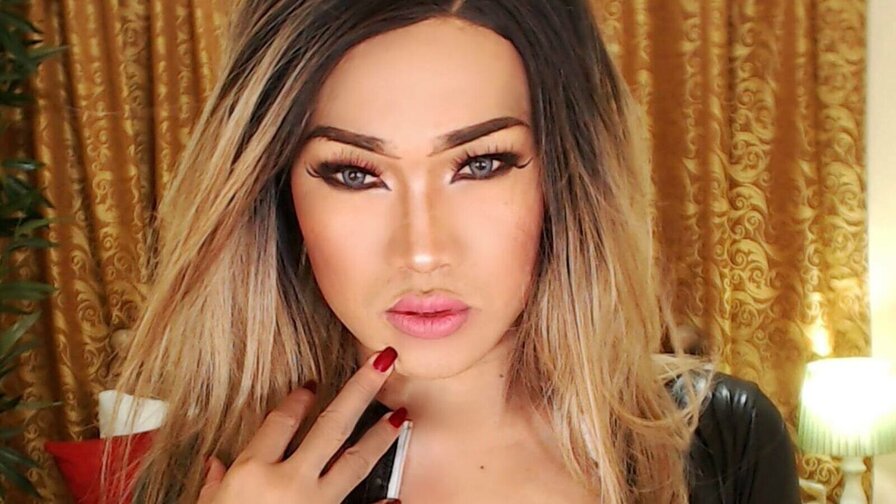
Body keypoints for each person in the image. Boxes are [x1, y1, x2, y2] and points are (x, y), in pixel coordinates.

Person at [107, 1, 801, 503]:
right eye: (353, 173)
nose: (423, 252)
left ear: (566, 175)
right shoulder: (202, 477)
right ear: (277, 195)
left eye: (481, 164)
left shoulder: (721, 440)